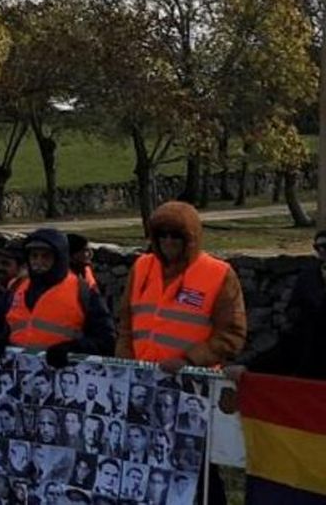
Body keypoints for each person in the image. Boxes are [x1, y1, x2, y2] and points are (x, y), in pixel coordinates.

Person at [118, 201, 245, 505]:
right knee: (146, 461)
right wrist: (123, 365)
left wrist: (189, 359)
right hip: (144, 386)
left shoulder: (218, 274)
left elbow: (232, 335)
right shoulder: (141, 268)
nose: (169, 243)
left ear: (191, 239)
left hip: (193, 389)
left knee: (198, 469)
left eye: (176, 237)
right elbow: (126, 325)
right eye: (162, 236)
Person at [0, 227, 114, 368]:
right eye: (34, 256)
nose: (38, 262)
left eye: (45, 256)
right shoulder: (17, 287)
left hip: (63, 376)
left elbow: (106, 340)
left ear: (59, 258)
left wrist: (72, 350)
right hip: (16, 374)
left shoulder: (82, 292)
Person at [232, 227, 326, 380]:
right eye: (318, 247)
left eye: (325, 246)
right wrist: (250, 367)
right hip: (311, 376)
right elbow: (294, 341)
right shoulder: (309, 279)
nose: (322, 251)